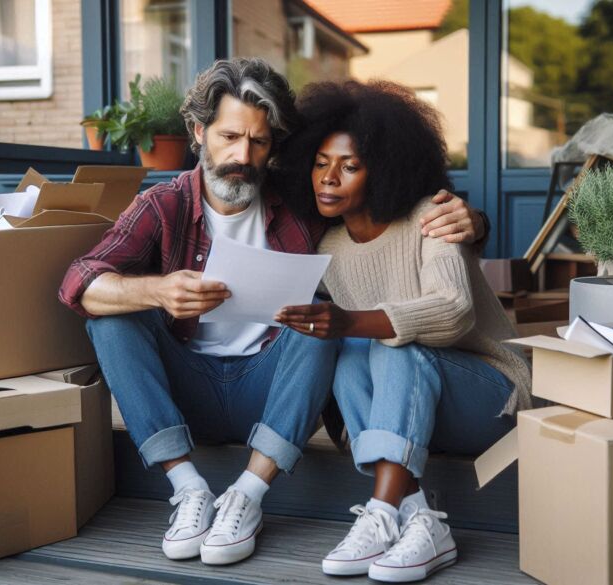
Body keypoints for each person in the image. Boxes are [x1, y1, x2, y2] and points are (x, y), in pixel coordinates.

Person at [59, 58, 487, 566]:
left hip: (272, 390)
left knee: (320, 320)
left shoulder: (302, 200)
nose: (242, 156)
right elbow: (78, 281)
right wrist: (156, 291)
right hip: (188, 387)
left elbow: (385, 199)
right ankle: (190, 489)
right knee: (112, 316)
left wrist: (473, 220)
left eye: (259, 142)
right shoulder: (163, 205)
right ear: (198, 132)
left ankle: (247, 495)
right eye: (229, 137)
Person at [274, 80, 533, 582]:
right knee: (349, 353)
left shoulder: (430, 219)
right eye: (320, 162)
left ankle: (381, 510)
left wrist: (350, 320)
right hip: (416, 408)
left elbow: (453, 311)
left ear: (385, 169)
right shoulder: (327, 246)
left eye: (349, 166)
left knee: (393, 346)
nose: (328, 178)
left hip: (493, 395)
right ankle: (420, 519)